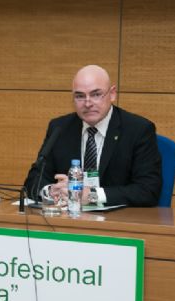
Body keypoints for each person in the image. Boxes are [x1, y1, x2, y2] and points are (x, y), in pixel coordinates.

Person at [24, 65, 161, 207]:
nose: (87, 103)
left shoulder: (138, 130)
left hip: (118, 222)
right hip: (68, 219)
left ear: (112, 94)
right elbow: (35, 179)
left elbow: (148, 190)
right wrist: (52, 191)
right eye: (80, 96)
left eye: (96, 94)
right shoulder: (60, 128)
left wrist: (92, 196)